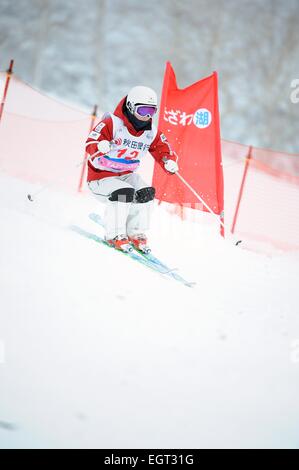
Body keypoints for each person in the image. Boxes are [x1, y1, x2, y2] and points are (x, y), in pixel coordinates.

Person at [85, 85, 179, 253]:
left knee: (146, 192)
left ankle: (134, 232)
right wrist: (100, 145)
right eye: (142, 111)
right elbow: (90, 143)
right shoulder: (112, 124)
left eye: (151, 111)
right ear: (130, 106)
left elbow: (164, 150)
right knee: (125, 192)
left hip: (126, 175)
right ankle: (114, 235)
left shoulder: (151, 133)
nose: (147, 116)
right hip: (100, 178)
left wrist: (168, 162)